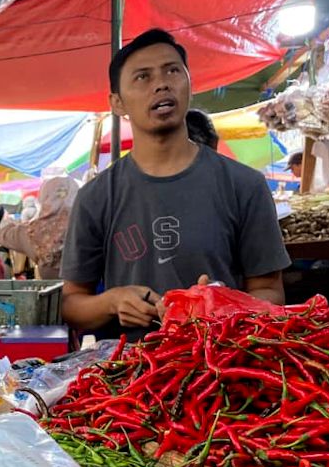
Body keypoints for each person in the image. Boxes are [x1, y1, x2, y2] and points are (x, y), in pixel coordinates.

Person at [59, 28, 290, 340]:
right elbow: (72, 304)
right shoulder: (96, 197)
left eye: (172, 71)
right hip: (134, 374)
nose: (162, 84)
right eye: (143, 77)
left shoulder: (244, 185)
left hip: (222, 368)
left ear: (189, 84)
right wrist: (111, 302)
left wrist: (222, 306)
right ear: (117, 103)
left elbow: (270, 292)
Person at [0, 175, 78, 279]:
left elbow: (4, 233)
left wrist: (8, 220)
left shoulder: (34, 231)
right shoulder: (90, 224)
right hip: (96, 292)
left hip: (55, 292)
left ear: (44, 198)